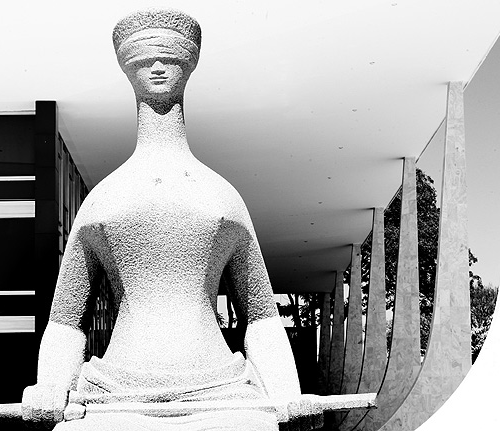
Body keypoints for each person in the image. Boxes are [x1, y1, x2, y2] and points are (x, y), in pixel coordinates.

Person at [22, 8, 301, 430]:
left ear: (188, 67)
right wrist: (49, 387)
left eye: (168, 59)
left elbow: (261, 316)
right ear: (127, 69)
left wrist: (285, 392)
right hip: (113, 394)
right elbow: (64, 321)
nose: (156, 67)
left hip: (221, 391)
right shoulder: (104, 202)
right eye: (146, 60)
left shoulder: (221, 198)